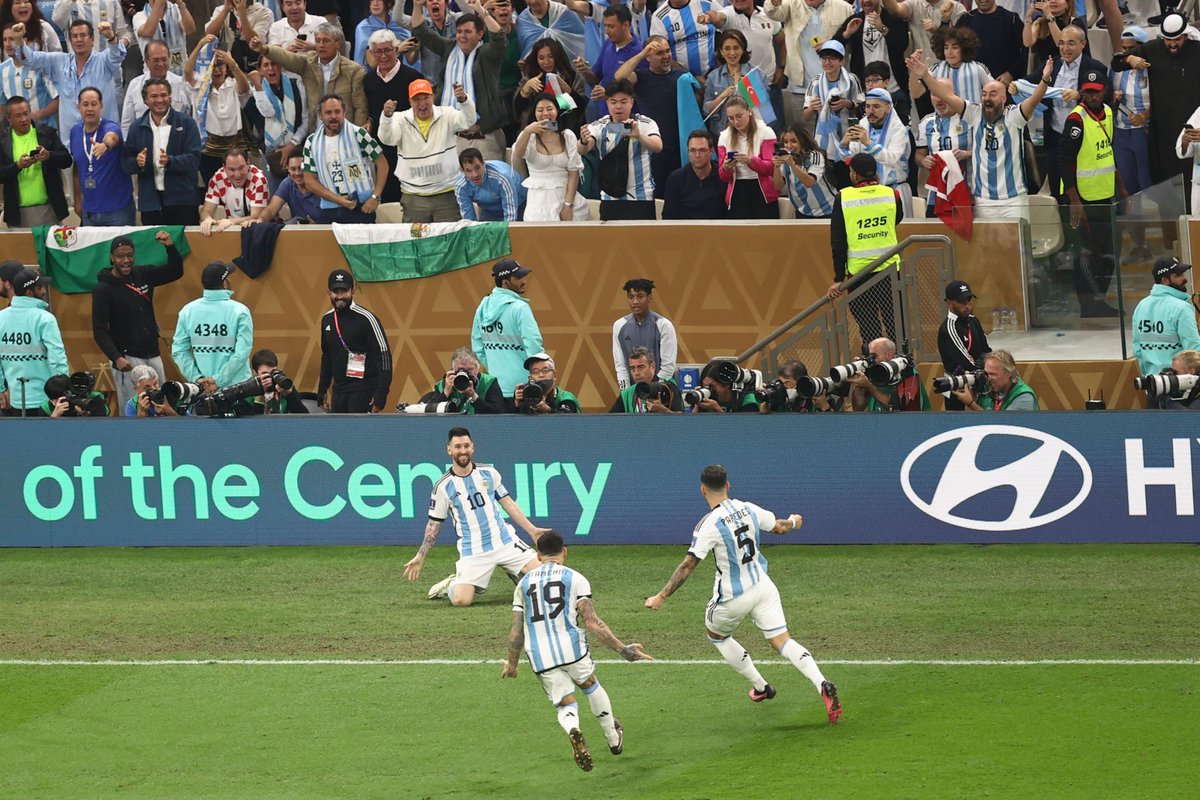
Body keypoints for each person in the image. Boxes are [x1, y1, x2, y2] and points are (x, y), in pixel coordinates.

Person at [645, 464, 842, 725]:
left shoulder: (708, 525)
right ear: (728, 486)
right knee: (783, 641)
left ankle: (761, 686)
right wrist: (794, 521)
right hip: (762, 586)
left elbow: (688, 564)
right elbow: (780, 527)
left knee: (716, 635)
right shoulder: (748, 508)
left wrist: (662, 596)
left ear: (702, 490)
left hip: (732, 597)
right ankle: (822, 683)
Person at [502, 530, 653, 773]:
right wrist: (622, 649)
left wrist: (512, 664)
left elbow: (516, 632)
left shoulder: (523, 584)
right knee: (590, 685)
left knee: (565, 704)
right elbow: (593, 623)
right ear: (565, 552)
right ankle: (613, 739)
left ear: (538, 556)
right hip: (572, 648)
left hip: (540, 654)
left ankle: (573, 728)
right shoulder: (576, 578)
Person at [405, 426, 551, 606]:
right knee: (461, 601)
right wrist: (421, 556)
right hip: (473, 550)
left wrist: (532, 531)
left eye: (466, 446)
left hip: (504, 541)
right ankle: (453, 583)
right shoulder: (443, 486)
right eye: (457, 447)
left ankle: (517, 574)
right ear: (449, 450)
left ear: (472, 447)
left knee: (545, 582)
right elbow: (433, 525)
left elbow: (508, 504)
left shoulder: (489, 473)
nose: (463, 451)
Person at [909, 49, 1053, 221]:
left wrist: (1044, 80)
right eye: (984, 94)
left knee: (1014, 247)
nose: (987, 98)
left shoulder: (1015, 117)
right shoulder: (974, 114)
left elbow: (1034, 100)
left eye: (993, 94)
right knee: (986, 248)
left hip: (1013, 200)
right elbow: (945, 95)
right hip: (983, 201)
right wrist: (925, 76)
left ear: (1003, 98)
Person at [1113, 13, 1200, 216]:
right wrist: (1129, 58)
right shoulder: (1152, 50)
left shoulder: (1197, 51)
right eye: (1168, 39)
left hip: (1193, 127)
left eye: (1177, 39)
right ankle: (1172, 241)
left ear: (1185, 36)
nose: (1172, 44)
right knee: (1165, 187)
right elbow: (1116, 63)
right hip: (1162, 131)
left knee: (1193, 185)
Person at [91, 231, 182, 412]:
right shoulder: (103, 289)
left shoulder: (143, 274)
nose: (126, 261)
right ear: (111, 258)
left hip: (153, 353)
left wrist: (170, 247)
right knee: (133, 407)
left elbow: (176, 271)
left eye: (130, 255)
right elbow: (99, 329)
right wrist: (116, 357)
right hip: (127, 359)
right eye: (120, 256)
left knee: (161, 405)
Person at [1058, 70, 1124, 318]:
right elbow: (1063, 160)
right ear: (1082, 92)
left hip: (1104, 194)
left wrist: (1122, 188)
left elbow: (1108, 151)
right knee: (1089, 252)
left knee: (1110, 251)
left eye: (1096, 91)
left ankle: (1098, 299)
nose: (1092, 95)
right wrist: (1074, 200)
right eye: (1088, 91)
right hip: (1082, 198)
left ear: (1104, 91)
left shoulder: (1107, 112)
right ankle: (1089, 304)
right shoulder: (1076, 119)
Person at [410, 0, 509, 161]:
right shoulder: (449, 48)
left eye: (468, 32)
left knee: (489, 183)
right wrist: (416, 6)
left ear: (480, 34)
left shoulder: (487, 54)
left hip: (484, 136)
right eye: (459, 31)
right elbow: (422, 32)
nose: (462, 36)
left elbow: (499, 39)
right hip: (452, 137)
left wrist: (482, 12)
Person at [828, 153, 903, 343]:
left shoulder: (843, 197)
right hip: (890, 271)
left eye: (851, 170)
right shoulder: (891, 194)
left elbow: (838, 241)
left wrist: (838, 278)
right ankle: (905, 364)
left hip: (859, 275)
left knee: (870, 331)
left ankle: (875, 367)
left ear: (855, 174)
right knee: (897, 326)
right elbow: (897, 219)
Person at [377, 77, 475, 222]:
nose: (422, 103)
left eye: (426, 97)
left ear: (432, 97)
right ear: (410, 102)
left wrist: (464, 100)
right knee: (417, 243)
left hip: (447, 192)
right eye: (416, 99)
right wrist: (386, 117)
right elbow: (387, 139)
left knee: (449, 241)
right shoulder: (399, 118)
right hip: (414, 195)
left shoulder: (447, 114)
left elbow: (468, 120)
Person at [16, 18, 126, 145]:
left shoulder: (104, 61)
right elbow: (31, 60)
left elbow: (118, 54)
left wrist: (111, 37)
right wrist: (19, 41)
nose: (79, 39)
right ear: (70, 41)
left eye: (83, 35)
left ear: (92, 39)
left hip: (104, 140)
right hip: (71, 142)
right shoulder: (59, 62)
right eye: (74, 36)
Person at [250, 22, 368, 132]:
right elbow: (287, 58)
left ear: (338, 44)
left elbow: (360, 107)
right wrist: (264, 49)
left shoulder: (353, 70)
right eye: (318, 41)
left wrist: (356, 135)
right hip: (316, 131)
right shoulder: (308, 62)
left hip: (344, 131)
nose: (321, 45)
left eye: (326, 41)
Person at [612, 34, 689, 198]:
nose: (666, 56)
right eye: (659, 53)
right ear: (648, 57)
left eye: (668, 51)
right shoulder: (641, 77)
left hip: (678, 149)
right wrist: (641, 53)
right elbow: (619, 77)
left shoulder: (680, 77)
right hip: (652, 150)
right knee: (656, 196)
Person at [121, 77, 202, 225]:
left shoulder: (187, 123)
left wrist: (171, 161)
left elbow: (195, 159)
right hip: (150, 203)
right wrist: (137, 162)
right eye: (154, 96)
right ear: (145, 100)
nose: (160, 100)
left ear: (170, 97)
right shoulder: (136, 127)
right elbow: (126, 162)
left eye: (164, 95)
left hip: (182, 201)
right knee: (154, 247)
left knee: (185, 247)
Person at [579, 78, 662, 220]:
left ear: (631, 102)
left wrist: (639, 136)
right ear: (607, 103)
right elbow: (583, 149)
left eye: (623, 102)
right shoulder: (599, 125)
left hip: (641, 198)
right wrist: (583, 140)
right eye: (613, 102)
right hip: (610, 198)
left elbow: (658, 146)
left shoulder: (645, 123)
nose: (618, 106)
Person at [300, 94, 389, 223]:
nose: (333, 117)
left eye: (337, 111)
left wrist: (375, 197)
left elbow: (383, 164)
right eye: (328, 113)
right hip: (328, 210)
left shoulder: (359, 134)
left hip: (360, 207)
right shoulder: (312, 142)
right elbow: (309, 180)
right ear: (320, 115)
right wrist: (338, 200)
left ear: (344, 113)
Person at [765, 0, 853, 129]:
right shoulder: (791, 5)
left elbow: (852, 44)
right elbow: (772, 12)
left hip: (838, 89)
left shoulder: (844, 8)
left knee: (840, 136)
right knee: (805, 138)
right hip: (801, 88)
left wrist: (832, 44)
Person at [171, 261, 254, 393]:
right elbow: (241, 353)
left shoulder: (187, 311)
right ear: (225, 283)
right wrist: (218, 380)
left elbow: (179, 351)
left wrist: (198, 379)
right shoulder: (240, 311)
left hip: (203, 389)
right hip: (239, 389)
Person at [317, 269, 392, 413]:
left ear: (353, 290)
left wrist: (381, 394)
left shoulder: (367, 318)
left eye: (344, 291)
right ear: (329, 293)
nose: (340, 296)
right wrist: (322, 389)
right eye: (335, 292)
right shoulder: (326, 320)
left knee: (360, 435)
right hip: (338, 393)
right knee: (339, 435)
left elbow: (384, 356)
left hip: (364, 391)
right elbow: (326, 356)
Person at [361, 28, 422, 204]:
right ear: (371, 53)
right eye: (378, 51)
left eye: (387, 50)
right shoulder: (369, 80)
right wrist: (370, 121)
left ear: (396, 50)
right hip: (380, 147)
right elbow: (371, 110)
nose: (383, 55)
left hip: (408, 145)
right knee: (387, 197)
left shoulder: (413, 78)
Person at [471, 258, 544, 400]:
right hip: (524, 390)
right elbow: (534, 346)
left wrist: (495, 368)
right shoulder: (520, 308)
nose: (524, 281)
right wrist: (539, 378)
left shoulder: (482, 307)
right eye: (518, 277)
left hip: (495, 389)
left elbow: (478, 347)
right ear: (505, 282)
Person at [186, 35, 252, 185]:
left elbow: (245, 88)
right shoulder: (200, 87)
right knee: (214, 192)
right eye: (213, 66)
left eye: (220, 65)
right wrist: (200, 45)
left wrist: (232, 63)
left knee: (240, 189)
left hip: (235, 149)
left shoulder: (233, 84)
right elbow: (188, 73)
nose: (216, 70)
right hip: (209, 150)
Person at [0, 268, 67, 416]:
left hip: (16, 401)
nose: (43, 291)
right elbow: (57, 359)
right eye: (39, 287)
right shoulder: (45, 318)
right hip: (47, 401)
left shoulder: (1, 318)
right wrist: (63, 391)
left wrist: (1, 389)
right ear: (29, 292)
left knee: (23, 439)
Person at [513, 93, 589, 221]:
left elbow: (574, 173)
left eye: (549, 109)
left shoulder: (567, 135)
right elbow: (519, 154)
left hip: (566, 197)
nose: (545, 113)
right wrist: (527, 131)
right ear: (534, 113)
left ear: (557, 111)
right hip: (538, 201)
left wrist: (567, 205)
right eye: (540, 110)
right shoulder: (528, 135)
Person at [0, 95, 71, 228]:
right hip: (17, 213)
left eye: (26, 114)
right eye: (18, 116)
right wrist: (17, 166)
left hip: (49, 209)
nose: (24, 119)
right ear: (9, 119)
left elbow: (66, 160)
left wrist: (49, 155)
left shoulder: (47, 134)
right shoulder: (2, 142)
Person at [836, 87, 910, 214]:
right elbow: (852, 160)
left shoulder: (899, 130)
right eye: (868, 106)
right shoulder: (862, 125)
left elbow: (891, 158)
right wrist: (844, 146)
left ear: (888, 107)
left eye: (876, 106)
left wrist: (868, 143)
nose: (871, 111)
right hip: (867, 193)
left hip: (893, 191)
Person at [1111, 26, 1151, 261]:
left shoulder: (1151, 68)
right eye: (1123, 49)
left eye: (1131, 49)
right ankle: (1140, 243)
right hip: (1122, 132)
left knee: (1149, 188)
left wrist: (1146, 115)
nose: (1126, 53)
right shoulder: (1117, 67)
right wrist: (1113, 98)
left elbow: (1164, 98)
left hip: (1144, 132)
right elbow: (1107, 94)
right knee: (1129, 191)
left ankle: (1170, 238)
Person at [70, 86, 135, 225]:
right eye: (85, 104)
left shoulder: (111, 127)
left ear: (101, 107)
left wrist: (105, 145)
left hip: (118, 211)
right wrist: (77, 199)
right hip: (89, 211)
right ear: (78, 107)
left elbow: (112, 137)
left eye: (94, 104)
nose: (89, 109)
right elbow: (77, 168)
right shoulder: (75, 132)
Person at [249, 51, 309, 194]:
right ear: (260, 70)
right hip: (272, 153)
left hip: (297, 150)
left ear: (281, 66)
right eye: (266, 65)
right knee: (274, 196)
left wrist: (291, 144)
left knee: (301, 194)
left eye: (274, 63)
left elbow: (307, 119)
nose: (271, 68)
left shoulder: (297, 85)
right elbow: (268, 112)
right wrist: (258, 86)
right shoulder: (257, 92)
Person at [833, 0, 909, 111]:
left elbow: (902, 45)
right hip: (864, 92)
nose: (866, 1)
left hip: (894, 89)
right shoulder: (854, 20)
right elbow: (834, 48)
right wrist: (847, 34)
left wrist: (882, 28)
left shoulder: (893, 19)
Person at [802, 39, 859, 186]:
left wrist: (847, 103)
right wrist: (813, 108)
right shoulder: (815, 82)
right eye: (824, 58)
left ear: (842, 61)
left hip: (848, 140)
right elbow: (805, 116)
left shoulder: (851, 80)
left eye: (832, 58)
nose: (827, 62)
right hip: (824, 143)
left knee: (847, 184)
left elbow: (862, 105)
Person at [1131, 257, 1200, 379]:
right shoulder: (1182, 308)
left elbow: (1138, 351)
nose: (1185, 278)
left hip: (1153, 384)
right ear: (1165, 280)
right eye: (1178, 275)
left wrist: (1149, 377)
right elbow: (1194, 349)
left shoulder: (1141, 306)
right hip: (1181, 386)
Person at [574, 3, 643, 122]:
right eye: (605, 26)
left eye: (611, 26)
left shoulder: (639, 53)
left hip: (628, 120)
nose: (606, 31)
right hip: (604, 116)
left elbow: (641, 94)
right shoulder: (608, 45)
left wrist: (609, 95)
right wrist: (585, 70)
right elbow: (595, 79)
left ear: (626, 25)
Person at [717, 95, 779, 218]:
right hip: (737, 191)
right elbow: (723, 177)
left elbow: (772, 167)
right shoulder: (724, 137)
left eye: (739, 116)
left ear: (749, 111)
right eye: (731, 118)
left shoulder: (766, 132)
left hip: (762, 191)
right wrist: (726, 167)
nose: (735, 122)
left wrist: (751, 161)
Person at [513, 36, 587, 136]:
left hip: (566, 132)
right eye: (541, 58)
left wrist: (566, 89)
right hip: (535, 133)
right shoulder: (530, 77)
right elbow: (517, 111)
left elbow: (581, 107)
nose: (546, 62)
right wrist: (524, 91)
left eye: (550, 56)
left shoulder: (570, 76)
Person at [612, 277, 677, 389]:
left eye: (640, 296)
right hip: (632, 390)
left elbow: (668, 366)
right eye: (631, 297)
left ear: (649, 297)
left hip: (660, 390)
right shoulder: (619, 326)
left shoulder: (664, 325)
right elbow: (620, 365)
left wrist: (656, 390)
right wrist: (626, 392)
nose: (635, 302)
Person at [913, 89, 969, 216]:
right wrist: (923, 160)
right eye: (934, 95)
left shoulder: (969, 119)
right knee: (936, 234)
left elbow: (983, 149)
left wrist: (967, 154)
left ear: (953, 95)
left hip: (967, 191)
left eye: (942, 94)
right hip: (936, 194)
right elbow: (919, 154)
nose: (939, 99)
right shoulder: (926, 122)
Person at [120, 41, 193, 138]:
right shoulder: (135, 85)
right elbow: (127, 122)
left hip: (175, 142)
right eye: (156, 60)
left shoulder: (182, 84)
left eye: (164, 59)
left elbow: (190, 118)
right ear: (146, 61)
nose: (161, 64)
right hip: (142, 142)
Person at [937, 280, 990, 410]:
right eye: (961, 302)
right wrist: (985, 372)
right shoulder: (948, 328)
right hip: (957, 386)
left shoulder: (973, 320)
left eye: (969, 300)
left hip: (979, 379)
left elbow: (986, 349)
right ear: (949, 303)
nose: (967, 306)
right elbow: (965, 361)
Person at [0, 22, 58, 132]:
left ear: (23, 40)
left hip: (44, 131)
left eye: (12, 39)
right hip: (17, 134)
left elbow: (57, 99)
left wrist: (37, 115)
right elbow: (2, 105)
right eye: (4, 39)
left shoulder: (40, 65)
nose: (7, 44)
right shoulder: (2, 70)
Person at [200, 147, 270, 235]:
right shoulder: (218, 178)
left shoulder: (258, 179)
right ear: (224, 167)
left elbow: (256, 217)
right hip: (231, 231)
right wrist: (207, 219)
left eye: (241, 168)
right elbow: (206, 210)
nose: (237, 174)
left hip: (257, 231)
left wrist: (231, 221)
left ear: (248, 163)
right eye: (232, 169)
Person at [849, 336, 929, 411]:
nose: (871, 360)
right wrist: (859, 386)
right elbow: (858, 407)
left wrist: (869, 387)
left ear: (889, 354)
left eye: (874, 356)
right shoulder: (872, 372)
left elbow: (900, 408)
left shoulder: (908, 372)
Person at [419, 346, 507, 414]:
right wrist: (445, 393)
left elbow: (497, 413)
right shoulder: (444, 384)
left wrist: (474, 397)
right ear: (452, 370)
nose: (466, 373)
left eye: (470, 370)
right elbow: (430, 414)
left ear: (477, 369)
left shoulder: (489, 382)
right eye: (461, 369)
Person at [958, 0, 1025, 88]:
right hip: (972, 84)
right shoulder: (966, 19)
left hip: (1003, 86)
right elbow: (951, 47)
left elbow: (1025, 51)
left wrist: (1011, 73)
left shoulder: (1011, 19)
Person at [662, 128, 726, 219]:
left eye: (702, 150)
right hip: (685, 231)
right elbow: (669, 216)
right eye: (692, 150)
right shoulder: (676, 179)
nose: (697, 155)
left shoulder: (723, 176)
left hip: (718, 230)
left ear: (711, 151)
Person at [649, 0, 717, 78]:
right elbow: (660, 55)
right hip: (679, 78)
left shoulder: (707, 3)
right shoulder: (659, 17)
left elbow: (725, 26)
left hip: (713, 74)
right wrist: (691, 77)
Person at [953, 348, 1039, 410]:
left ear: (1008, 373)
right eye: (986, 373)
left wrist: (971, 403)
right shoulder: (987, 389)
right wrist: (972, 395)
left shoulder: (1024, 397)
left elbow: (1002, 427)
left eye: (993, 374)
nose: (988, 378)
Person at [455, 146, 526, 221]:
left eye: (477, 168)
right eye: (469, 171)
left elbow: (511, 217)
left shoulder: (501, 177)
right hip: (489, 210)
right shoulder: (461, 186)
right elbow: (468, 220)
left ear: (483, 164)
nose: (475, 174)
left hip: (519, 202)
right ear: (463, 171)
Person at [702, 28, 750, 137]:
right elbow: (706, 110)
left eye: (736, 48)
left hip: (749, 135)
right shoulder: (713, 77)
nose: (732, 53)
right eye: (727, 48)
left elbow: (764, 110)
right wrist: (721, 97)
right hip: (721, 135)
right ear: (721, 52)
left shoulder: (754, 75)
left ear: (743, 49)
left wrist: (747, 94)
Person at [204, 0, 274, 72]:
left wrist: (242, 15)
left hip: (252, 66)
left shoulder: (263, 12)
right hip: (227, 67)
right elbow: (209, 35)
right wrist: (225, 10)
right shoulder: (221, 10)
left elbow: (255, 43)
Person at [132, 0, 196, 76]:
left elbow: (190, 30)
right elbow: (148, 32)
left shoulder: (176, 10)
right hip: (154, 77)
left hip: (181, 73)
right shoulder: (140, 16)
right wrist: (159, 4)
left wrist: (181, 4)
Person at [609, 345, 680, 412]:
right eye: (632, 368)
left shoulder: (668, 386)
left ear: (653, 367)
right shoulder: (627, 394)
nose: (636, 373)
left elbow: (683, 421)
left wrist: (664, 411)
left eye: (640, 367)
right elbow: (609, 422)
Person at [238, 348, 308, 415]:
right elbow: (247, 425)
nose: (270, 377)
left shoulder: (282, 386)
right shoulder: (246, 392)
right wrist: (259, 399)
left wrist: (290, 395)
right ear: (255, 373)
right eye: (265, 374)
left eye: (273, 372)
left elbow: (306, 420)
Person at [52, 0, 132, 56]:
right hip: (78, 70)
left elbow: (123, 33)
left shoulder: (111, 2)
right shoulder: (65, 3)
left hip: (108, 69)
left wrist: (116, 46)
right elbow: (58, 21)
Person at [262, 151, 323, 222]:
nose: (297, 173)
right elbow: (271, 209)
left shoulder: (321, 183)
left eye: (301, 168)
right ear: (288, 169)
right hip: (298, 229)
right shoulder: (288, 183)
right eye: (293, 169)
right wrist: (260, 220)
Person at [514, 351, 579, 413]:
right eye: (536, 371)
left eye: (545, 370)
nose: (541, 375)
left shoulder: (565, 398)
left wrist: (547, 409)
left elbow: (569, 422)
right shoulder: (525, 394)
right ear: (530, 378)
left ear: (554, 375)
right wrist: (517, 406)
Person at [354, 0, 413, 67]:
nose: (375, 3)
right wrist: (397, 49)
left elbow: (411, 60)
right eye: (372, 0)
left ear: (388, 3)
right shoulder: (364, 28)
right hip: (375, 75)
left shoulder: (399, 23)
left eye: (379, 0)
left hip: (401, 70)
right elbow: (372, 64)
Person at [758, 360, 831, 412]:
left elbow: (833, 428)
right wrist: (765, 399)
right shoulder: (779, 396)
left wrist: (824, 406)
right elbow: (764, 422)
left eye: (787, 383)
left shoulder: (818, 394)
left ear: (800, 382)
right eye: (781, 382)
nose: (783, 386)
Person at [691, 358, 758, 412]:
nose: (707, 389)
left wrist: (718, 410)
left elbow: (746, 427)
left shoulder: (747, 400)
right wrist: (697, 403)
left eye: (712, 386)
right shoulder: (706, 400)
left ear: (726, 385)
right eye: (705, 386)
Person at [41, 372, 108, 417]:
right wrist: (54, 416)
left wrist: (87, 418)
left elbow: (102, 428)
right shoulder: (46, 407)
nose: (55, 403)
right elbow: (41, 434)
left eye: (59, 399)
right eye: (52, 399)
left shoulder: (93, 400)